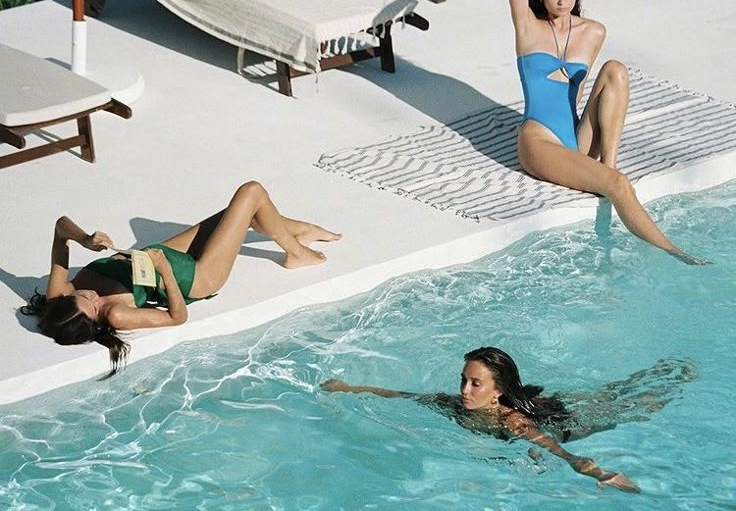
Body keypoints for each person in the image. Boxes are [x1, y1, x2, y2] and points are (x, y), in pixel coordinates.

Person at [509, 0, 704, 264]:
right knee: (619, 184)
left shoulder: (593, 32)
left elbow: (581, 94)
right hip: (538, 140)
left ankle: (607, 165)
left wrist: (588, 140)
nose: (563, 1)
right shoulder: (529, 28)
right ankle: (676, 254)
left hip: (573, 136)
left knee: (616, 69)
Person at [22, 181, 341, 375]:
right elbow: (177, 317)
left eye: (84, 296)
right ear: (95, 323)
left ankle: (297, 234)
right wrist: (164, 273)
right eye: (93, 307)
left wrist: (86, 239)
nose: (93, 296)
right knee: (251, 193)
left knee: (240, 214)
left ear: (65, 299)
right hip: (195, 278)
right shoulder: (116, 314)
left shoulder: (58, 293)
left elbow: (61, 227)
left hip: (159, 255)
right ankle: (296, 252)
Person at [322, 347, 696, 493]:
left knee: (627, 406)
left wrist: (598, 472)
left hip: (568, 420)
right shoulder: (454, 404)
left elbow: (554, 448)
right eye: (464, 381)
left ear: (497, 391)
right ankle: (663, 371)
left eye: (475, 383)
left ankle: (675, 375)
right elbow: (401, 396)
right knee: (612, 392)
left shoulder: (511, 422)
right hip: (543, 405)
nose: (465, 390)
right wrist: (349, 387)